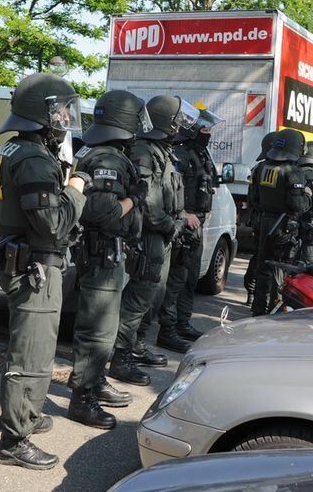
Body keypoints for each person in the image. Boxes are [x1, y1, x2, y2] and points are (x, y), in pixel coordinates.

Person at [0, 73, 88, 470]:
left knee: (31, 347)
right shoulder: (32, 159)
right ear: (41, 114)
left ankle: (26, 413)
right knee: (31, 355)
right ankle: (14, 440)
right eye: (60, 111)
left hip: (23, 260)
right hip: (34, 268)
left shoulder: (15, 149)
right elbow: (53, 224)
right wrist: (76, 187)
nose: (65, 118)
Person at [69, 90, 149, 430]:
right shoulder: (109, 160)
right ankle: (82, 398)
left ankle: (96, 381)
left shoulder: (100, 151)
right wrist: (135, 198)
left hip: (104, 252)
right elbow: (104, 212)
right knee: (97, 329)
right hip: (102, 253)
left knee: (104, 325)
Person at [108, 95, 197, 387]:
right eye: (177, 119)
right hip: (149, 235)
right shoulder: (145, 151)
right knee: (138, 297)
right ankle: (120, 357)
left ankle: (136, 344)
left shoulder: (163, 151)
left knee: (153, 297)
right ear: (164, 121)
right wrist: (171, 225)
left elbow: (169, 193)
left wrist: (178, 221)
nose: (181, 125)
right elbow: (148, 202)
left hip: (163, 235)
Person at [156, 106, 223, 349]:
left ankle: (182, 323)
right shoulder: (180, 154)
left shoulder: (201, 154)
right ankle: (167, 330)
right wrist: (183, 213)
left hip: (197, 226)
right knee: (176, 279)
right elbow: (168, 189)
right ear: (193, 131)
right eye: (204, 130)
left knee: (190, 278)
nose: (208, 134)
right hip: (183, 225)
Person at [251, 129, 311, 316]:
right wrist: (308, 196)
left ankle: (258, 311)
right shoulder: (294, 172)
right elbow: (297, 205)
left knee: (262, 269)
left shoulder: (261, 168)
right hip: (284, 226)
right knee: (280, 271)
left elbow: (254, 199)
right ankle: (275, 313)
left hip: (264, 223)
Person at [244, 131, 280, 304]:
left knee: (259, 257)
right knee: (264, 260)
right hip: (266, 220)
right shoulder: (263, 169)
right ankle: (255, 293)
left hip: (260, 219)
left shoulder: (258, 168)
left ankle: (252, 292)